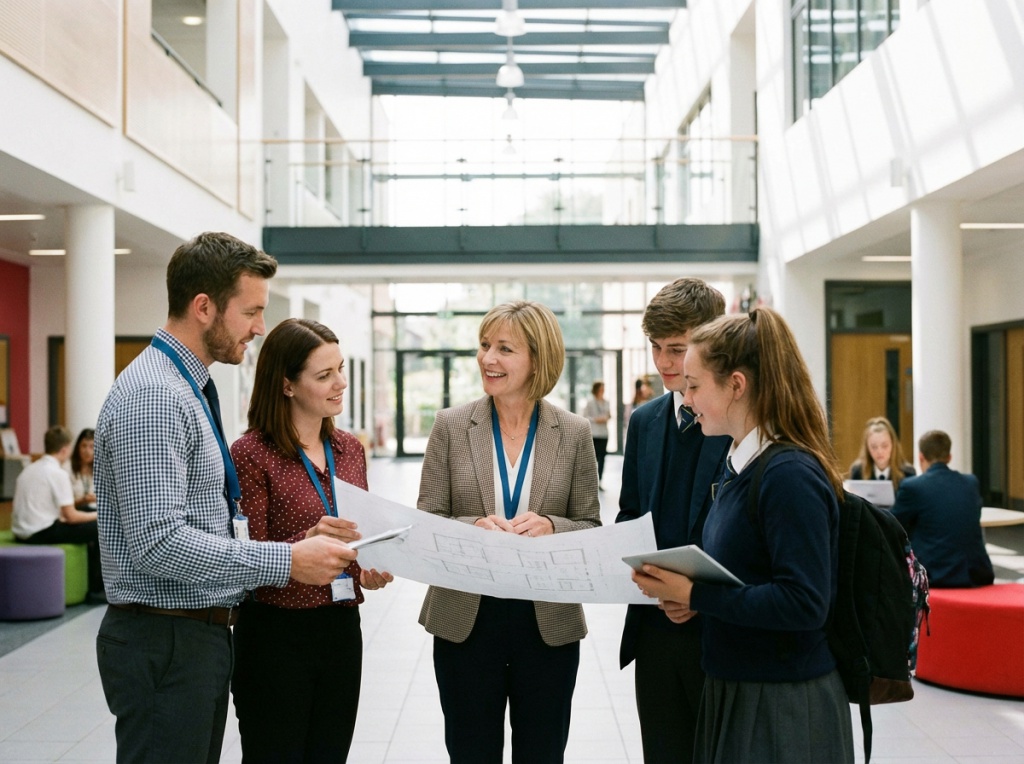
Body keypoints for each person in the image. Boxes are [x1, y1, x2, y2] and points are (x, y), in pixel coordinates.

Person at [93, 232, 358, 764]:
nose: (260, 327)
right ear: (204, 307)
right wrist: (286, 559)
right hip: (166, 638)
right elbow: (159, 544)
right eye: (251, 311)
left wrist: (299, 547)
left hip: (192, 636)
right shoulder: (156, 398)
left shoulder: (185, 386)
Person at [633, 307, 854, 764]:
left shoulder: (788, 474)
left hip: (782, 702)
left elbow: (805, 603)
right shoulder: (744, 466)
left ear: (737, 384)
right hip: (742, 687)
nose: (686, 400)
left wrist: (695, 595)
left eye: (694, 386)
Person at [417, 300, 601, 764]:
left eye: (504, 349)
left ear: (538, 359)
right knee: (470, 751)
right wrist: (472, 527)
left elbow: (591, 525)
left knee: (542, 753)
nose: (487, 359)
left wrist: (552, 526)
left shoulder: (574, 432)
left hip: (547, 624)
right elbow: (428, 518)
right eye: (484, 346)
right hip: (466, 621)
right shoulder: (451, 426)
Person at [230, 318, 393, 763]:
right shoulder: (251, 454)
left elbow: (354, 536)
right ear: (286, 385)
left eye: (340, 369)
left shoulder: (349, 450)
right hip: (274, 635)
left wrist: (368, 568)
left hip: (340, 629)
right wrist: (306, 539)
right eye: (324, 376)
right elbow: (247, 559)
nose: (341, 383)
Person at [615, 277, 730, 763]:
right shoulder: (644, 421)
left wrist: (698, 597)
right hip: (654, 628)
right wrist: (646, 577)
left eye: (676, 349)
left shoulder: (740, 420)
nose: (662, 362)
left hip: (720, 629)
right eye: (656, 347)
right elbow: (629, 512)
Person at [889, 430, 994, 588]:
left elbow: (892, 525)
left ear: (921, 457)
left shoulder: (913, 487)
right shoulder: (971, 483)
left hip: (933, 575)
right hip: (976, 574)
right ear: (949, 457)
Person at [12, 425, 105, 600]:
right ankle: (96, 589)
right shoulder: (58, 473)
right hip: (40, 532)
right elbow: (71, 516)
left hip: (21, 531)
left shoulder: (29, 469)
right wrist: (99, 517)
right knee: (99, 528)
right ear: (65, 449)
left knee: (86, 513)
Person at [848, 416, 915, 491]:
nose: (879, 452)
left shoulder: (908, 473)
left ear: (893, 445)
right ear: (867, 448)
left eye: (884, 446)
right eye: (874, 447)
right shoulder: (858, 471)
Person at [582, 380, 611, 485]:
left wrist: (606, 418)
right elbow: (585, 417)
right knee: (593, 457)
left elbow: (609, 414)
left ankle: (600, 480)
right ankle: (591, 480)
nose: (602, 391)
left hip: (603, 433)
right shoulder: (590, 402)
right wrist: (595, 420)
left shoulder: (606, 402)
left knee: (602, 457)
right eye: (601, 389)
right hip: (594, 433)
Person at [68, 427, 97, 511]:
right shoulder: (68, 468)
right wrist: (83, 500)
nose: (87, 451)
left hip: (95, 511)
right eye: (84, 446)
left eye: (92, 447)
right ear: (78, 447)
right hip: (74, 513)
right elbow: (63, 505)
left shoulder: (100, 469)